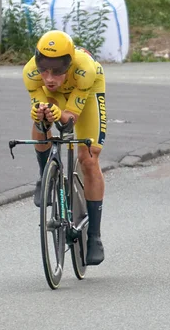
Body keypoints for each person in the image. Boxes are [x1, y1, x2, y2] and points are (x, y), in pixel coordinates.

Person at [22, 30, 107, 265]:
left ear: (69, 65)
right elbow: (43, 109)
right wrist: (42, 113)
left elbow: (69, 119)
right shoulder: (30, 73)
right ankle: (45, 177)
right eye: (44, 69)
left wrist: (62, 114)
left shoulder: (85, 70)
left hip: (85, 92)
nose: (49, 77)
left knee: (89, 159)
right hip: (57, 97)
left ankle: (94, 236)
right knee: (41, 121)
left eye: (57, 71)